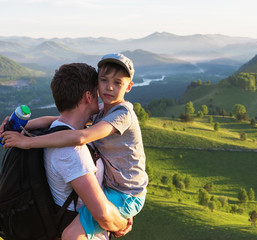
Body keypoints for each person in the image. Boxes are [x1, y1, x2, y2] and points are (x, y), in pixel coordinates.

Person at [1, 53, 148, 240]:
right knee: (71, 235)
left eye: (117, 83)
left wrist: (28, 141)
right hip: (117, 190)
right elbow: (52, 120)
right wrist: (19, 127)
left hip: (127, 192)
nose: (109, 88)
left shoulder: (123, 114)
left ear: (129, 86)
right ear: (89, 95)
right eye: (103, 81)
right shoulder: (102, 113)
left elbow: (81, 137)